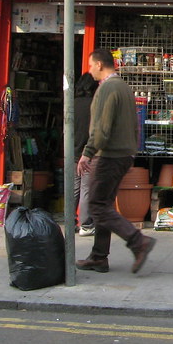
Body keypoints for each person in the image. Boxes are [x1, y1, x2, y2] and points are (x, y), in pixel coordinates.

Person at [76, 49, 154, 274]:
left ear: (100, 64)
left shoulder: (108, 88)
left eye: (91, 65)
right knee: (104, 205)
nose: (89, 71)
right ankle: (99, 257)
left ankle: (138, 242)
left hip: (109, 155)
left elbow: (103, 127)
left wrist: (88, 152)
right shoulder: (123, 87)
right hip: (122, 154)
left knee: (97, 205)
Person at [73, 72, 98, 236]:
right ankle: (86, 224)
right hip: (89, 152)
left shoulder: (72, 104)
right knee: (86, 188)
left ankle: (70, 222)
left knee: (74, 188)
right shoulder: (94, 105)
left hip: (73, 150)